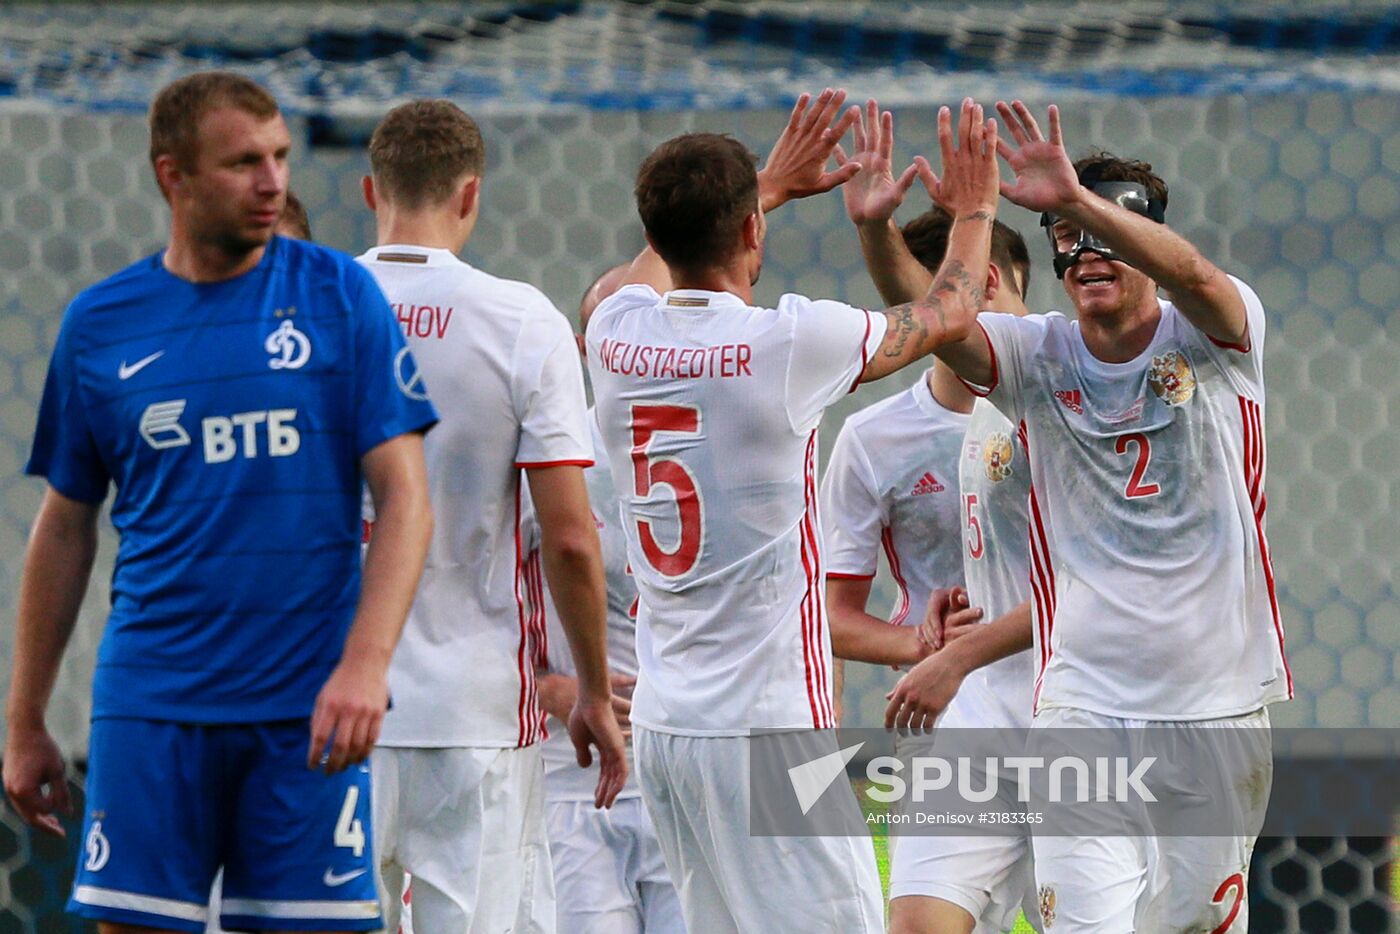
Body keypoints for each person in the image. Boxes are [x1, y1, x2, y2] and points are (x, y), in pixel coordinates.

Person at [4, 71, 437, 933]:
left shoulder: (340, 297)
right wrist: (24, 720)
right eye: (245, 162)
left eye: (278, 156)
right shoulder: (102, 324)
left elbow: (405, 498)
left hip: (304, 709)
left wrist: (366, 663)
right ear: (175, 176)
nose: (274, 180)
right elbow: (64, 527)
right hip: (152, 706)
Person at [586, 92, 1003, 933]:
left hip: (667, 733)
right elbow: (954, 310)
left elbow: (622, 280)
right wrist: (977, 208)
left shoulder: (613, 333)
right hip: (768, 731)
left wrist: (763, 186)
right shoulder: (786, 342)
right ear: (750, 234)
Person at [901, 100, 1288, 933]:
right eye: (1063, 240)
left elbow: (1199, 277)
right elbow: (942, 329)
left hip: (1214, 705)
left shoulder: (1218, 334)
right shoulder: (1038, 355)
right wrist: (966, 216)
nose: (1080, 254)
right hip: (1081, 707)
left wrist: (1077, 199)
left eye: (1101, 233)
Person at [356, 99, 626, 934]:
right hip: (473, 719)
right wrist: (590, 690)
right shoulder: (520, 320)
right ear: (470, 195)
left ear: (371, 191)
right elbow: (572, 540)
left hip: (329, 713)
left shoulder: (308, 308)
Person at [529, 266, 685, 934]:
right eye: (613, 335)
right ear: (581, 346)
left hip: (685, 769)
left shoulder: (712, 450)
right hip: (575, 780)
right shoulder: (547, 462)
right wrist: (555, 690)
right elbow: (486, 610)